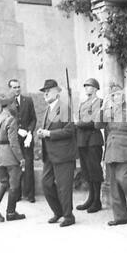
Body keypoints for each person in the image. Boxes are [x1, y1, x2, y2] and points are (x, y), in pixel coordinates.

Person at [95, 83, 127, 226]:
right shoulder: (108, 111)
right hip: (111, 150)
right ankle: (121, 217)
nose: (115, 97)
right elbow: (97, 125)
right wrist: (102, 108)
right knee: (114, 185)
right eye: (112, 95)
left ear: (123, 95)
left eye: (117, 94)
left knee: (125, 181)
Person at [37, 79, 77, 227]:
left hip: (63, 154)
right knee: (46, 184)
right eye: (44, 91)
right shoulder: (48, 109)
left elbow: (69, 130)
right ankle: (58, 212)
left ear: (57, 91)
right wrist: (43, 133)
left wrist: (48, 133)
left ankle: (68, 216)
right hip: (50, 154)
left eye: (48, 90)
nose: (45, 93)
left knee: (64, 187)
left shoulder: (64, 108)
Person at [0, 95, 26, 222]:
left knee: (3, 182)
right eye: (14, 104)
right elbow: (14, 142)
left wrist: (0, 152)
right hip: (10, 156)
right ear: (9, 106)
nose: (16, 106)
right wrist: (21, 158)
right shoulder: (11, 120)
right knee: (14, 185)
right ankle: (11, 212)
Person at [75, 78, 104, 213]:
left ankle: (97, 200)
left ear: (96, 88)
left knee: (95, 171)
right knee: (86, 171)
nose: (86, 88)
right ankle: (91, 198)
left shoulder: (99, 102)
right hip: (82, 141)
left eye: (89, 86)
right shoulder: (83, 104)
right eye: (85, 86)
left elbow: (93, 121)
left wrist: (79, 123)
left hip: (93, 140)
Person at [8, 79, 37, 203]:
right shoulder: (7, 103)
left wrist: (29, 132)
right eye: (14, 87)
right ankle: (17, 194)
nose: (17, 89)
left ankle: (30, 194)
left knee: (29, 165)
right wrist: (16, 130)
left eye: (18, 87)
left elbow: (33, 119)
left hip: (26, 139)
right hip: (15, 140)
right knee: (16, 166)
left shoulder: (28, 101)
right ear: (10, 89)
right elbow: (7, 121)